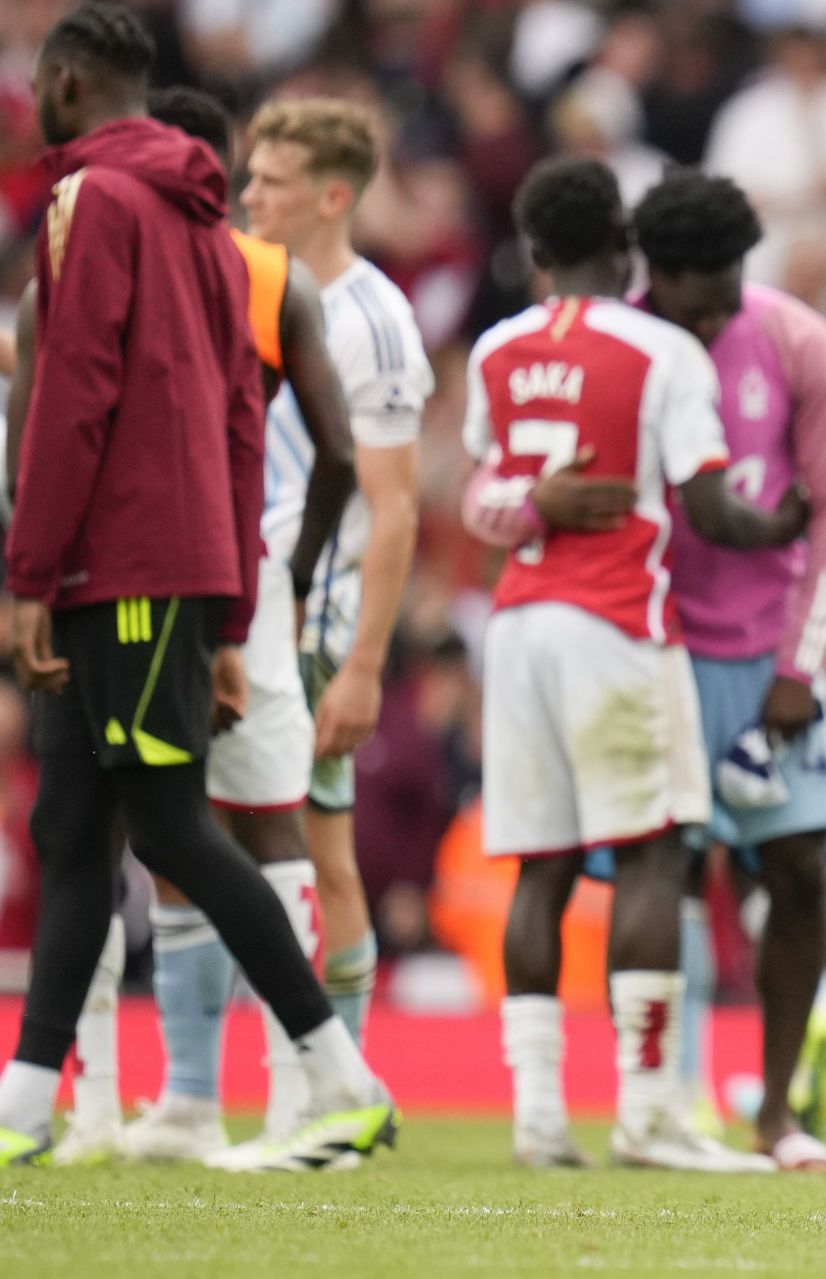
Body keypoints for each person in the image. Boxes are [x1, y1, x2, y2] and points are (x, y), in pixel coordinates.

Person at [0, 3, 393, 1172]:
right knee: (72, 825)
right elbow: (236, 421)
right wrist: (228, 609)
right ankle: (24, 1106)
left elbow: (68, 403)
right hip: (171, 569)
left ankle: (341, 1075)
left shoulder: (89, 204)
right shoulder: (214, 230)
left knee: (168, 820)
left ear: (68, 84)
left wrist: (28, 574)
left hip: (110, 565)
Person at [462, 157, 807, 1172]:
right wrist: (783, 522)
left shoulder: (496, 346)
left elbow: (485, 491)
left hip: (517, 622)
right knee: (655, 854)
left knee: (543, 864)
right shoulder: (661, 352)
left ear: (534, 252)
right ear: (623, 248)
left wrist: (533, 508)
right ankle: (650, 1112)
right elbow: (706, 507)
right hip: (619, 619)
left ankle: (535, 1116)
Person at [629, 168, 826, 1171]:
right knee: (667, 872)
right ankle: (668, 1102)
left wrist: (804, 661)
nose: (719, 303)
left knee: (803, 873)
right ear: (654, 272)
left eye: (732, 279)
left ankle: (775, 1111)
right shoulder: (625, 343)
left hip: (769, 649)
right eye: (699, 287)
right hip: (658, 644)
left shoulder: (794, 337)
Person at [239, 97, 433, 1067]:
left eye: (271, 181)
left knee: (317, 848)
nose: (249, 195)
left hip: (315, 611)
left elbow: (393, 510)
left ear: (332, 195)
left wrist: (362, 666)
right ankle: (191, 1093)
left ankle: (339, 1082)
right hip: (230, 598)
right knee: (191, 844)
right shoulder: (240, 283)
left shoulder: (377, 322)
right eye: (249, 176)